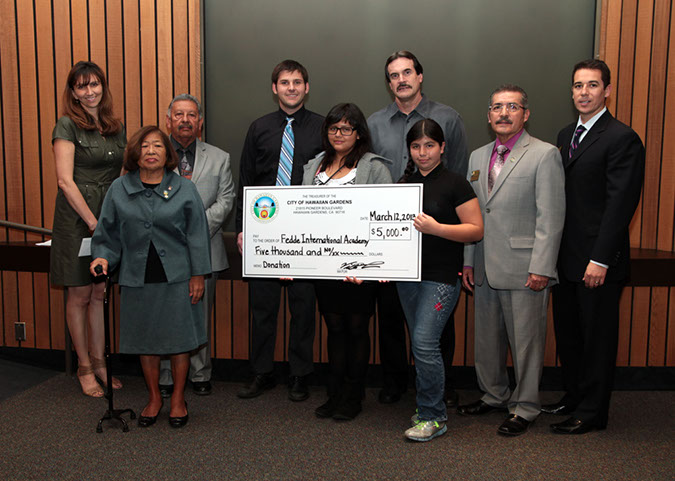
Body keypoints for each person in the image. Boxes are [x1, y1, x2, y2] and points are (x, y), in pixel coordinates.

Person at [458, 85, 565, 437]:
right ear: (488, 115)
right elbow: (474, 215)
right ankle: (493, 395)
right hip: (485, 264)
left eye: (512, 107)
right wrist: (469, 261)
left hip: (525, 267)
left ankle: (526, 406)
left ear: (525, 114)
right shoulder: (476, 157)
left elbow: (550, 217)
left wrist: (542, 267)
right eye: (497, 107)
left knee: (526, 343)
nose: (504, 113)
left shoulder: (544, 154)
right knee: (486, 340)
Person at [546, 59, 645, 435]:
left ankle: (592, 412)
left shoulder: (622, 138)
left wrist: (600, 259)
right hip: (565, 259)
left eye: (592, 85)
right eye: (577, 86)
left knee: (597, 339)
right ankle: (573, 397)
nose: (583, 92)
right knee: (570, 335)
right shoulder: (564, 134)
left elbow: (620, 206)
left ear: (607, 90)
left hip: (597, 262)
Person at [90, 126, 211, 428]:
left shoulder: (185, 188)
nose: (151, 151)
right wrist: (103, 256)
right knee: (147, 341)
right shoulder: (119, 188)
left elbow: (197, 234)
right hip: (136, 276)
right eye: (145, 146)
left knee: (180, 340)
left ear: (167, 153)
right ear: (135, 153)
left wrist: (198, 275)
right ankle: (155, 397)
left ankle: (179, 398)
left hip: (178, 276)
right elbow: (108, 231)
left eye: (157, 145)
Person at [367, 50, 469, 405]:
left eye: (407, 72)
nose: (402, 80)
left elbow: (457, 181)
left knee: (436, 325)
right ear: (388, 82)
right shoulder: (374, 122)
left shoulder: (448, 118)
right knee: (391, 313)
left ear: (420, 76)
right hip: (388, 238)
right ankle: (395, 382)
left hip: (438, 236)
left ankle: (442, 386)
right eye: (394, 75)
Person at [236, 60, 324, 401]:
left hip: (305, 234)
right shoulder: (259, 128)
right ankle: (262, 373)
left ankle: (300, 374)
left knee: (302, 308)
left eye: (297, 82)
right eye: (284, 82)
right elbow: (245, 180)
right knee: (263, 307)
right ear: (274, 88)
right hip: (264, 233)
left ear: (306, 87)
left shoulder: (321, 128)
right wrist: (244, 229)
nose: (291, 87)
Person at [301, 103, 392, 420]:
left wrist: (372, 262)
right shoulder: (313, 166)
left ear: (358, 133)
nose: (339, 134)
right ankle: (334, 393)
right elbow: (298, 213)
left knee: (356, 328)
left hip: (360, 268)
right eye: (333, 128)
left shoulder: (375, 168)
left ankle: (353, 397)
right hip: (323, 266)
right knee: (334, 327)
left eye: (346, 128)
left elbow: (385, 220)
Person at [397, 119, 483, 442]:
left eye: (430, 145)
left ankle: (434, 416)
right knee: (419, 345)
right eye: (416, 146)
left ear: (443, 147)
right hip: (407, 277)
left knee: (424, 342)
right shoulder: (401, 185)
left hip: (442, 277)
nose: (423, 153)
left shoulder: (456, 184)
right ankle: (426, 407)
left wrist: (438, 229)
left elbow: (476, 229)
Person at [50, 61, 126, 397]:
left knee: (99, 293)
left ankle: (100, 363)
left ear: (102, 87)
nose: (90, 91)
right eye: (82, 86)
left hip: (108, 218)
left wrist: (112, 220)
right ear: (73, 92)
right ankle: (83, 366)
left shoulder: (115, 126)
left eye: (95, 84)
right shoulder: (66, 125)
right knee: (79, 294)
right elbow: (65, 181)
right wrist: (95, 224)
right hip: (78, 222)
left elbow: (122, 176)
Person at [158, 94, 236, 398]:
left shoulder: (219, 157)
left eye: (191, 115)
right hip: (164, 251)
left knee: (199, 315)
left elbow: (226, 199)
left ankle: (200, 372)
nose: (185, 120)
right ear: (168, 121)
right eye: (179, 115)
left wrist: (193, 228)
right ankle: (165, 375)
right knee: (167, 314)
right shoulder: (153, 154)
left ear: (200, 122)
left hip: (207, 250)